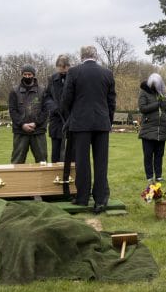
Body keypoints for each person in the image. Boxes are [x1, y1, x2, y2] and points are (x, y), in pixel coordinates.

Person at [60, 45, 116, 211]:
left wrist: (72, 115)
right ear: (96, 56)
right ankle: (100, 199)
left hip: (81, 123)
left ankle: (83, 197)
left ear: (81, 56)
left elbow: (66, 99)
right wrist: (108, 120)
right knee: (101, 162)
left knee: (82, 162)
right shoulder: (107, 73)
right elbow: (111, 101)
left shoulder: (74, 72)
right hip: (101, 123)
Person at [8, 64, 48, 164]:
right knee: (17, 161)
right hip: (20, 131)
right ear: (22, 75)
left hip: (38, 131)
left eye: (29, 74)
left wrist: (36, 123)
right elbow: (12, 110)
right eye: (25, 74)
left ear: (33, 75)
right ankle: (16, 180)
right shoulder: (14, 91)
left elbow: (46, 110)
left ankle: (42, 180)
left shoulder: (43, 91)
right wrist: (22, 124)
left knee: (42, 161)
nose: (27, 76)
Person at [137, 72, 166, 183]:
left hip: (161, 129)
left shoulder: (163, 94)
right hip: (148, 128)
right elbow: (143, 108)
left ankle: (159, 176)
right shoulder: (144, 93)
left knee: (159, 155)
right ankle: (149, 176)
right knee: (148, 155)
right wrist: (157, 104)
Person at [44, 54, 71, 163]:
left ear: (68, 66)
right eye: (60, 68)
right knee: (56, 152)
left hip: (70, 120)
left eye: (65, 69)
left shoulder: (74, 77)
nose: (63, 71)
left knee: (70, 152)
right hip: (56, 120)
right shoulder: (52, 79)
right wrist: (53, 107)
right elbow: (47, 97)